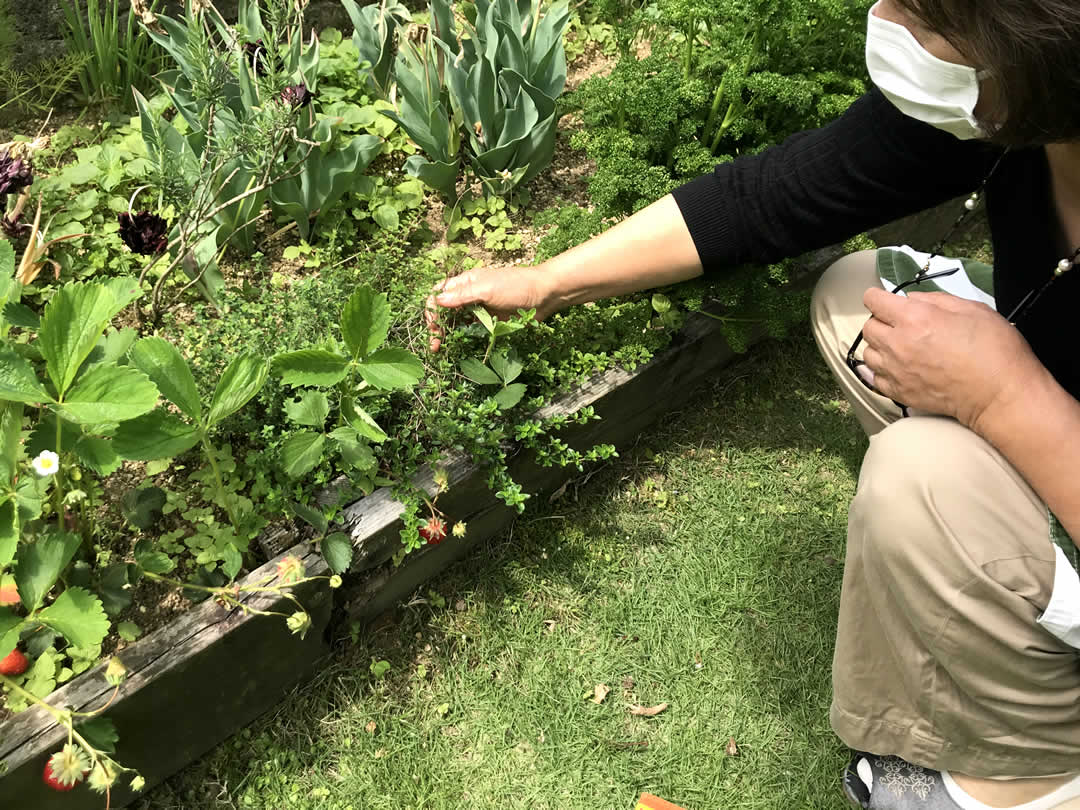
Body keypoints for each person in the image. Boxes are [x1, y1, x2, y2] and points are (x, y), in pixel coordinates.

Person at [425, 0, 1080, 806]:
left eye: (922, 12)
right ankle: (999, 569)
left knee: (918, 475)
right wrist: (550, 281)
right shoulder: (1021, 119)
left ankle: (1035, 776)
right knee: (859, 300)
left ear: (1040, 37)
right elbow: (773, 195)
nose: (881, 16)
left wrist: (1002, 394)